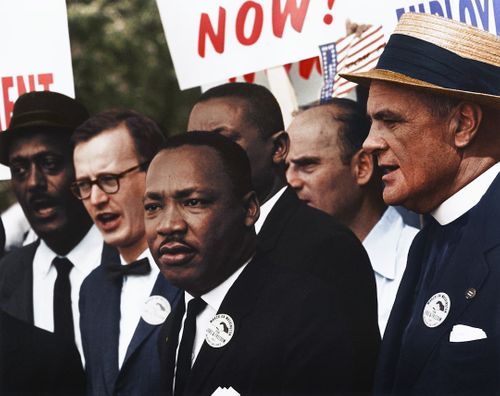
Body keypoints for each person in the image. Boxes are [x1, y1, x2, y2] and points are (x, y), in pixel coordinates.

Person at [145, 132, 376, 395]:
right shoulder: (176, 319)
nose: (168, 225)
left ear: (249, 209)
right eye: (153, 207)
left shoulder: (307, 312)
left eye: (193, 202)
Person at [342, 12, 500, 394]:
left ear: (463, 124)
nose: (369, 142)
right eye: (371, 122)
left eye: (390, 121)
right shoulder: (429, 239)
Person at [187, 83, 380, 387]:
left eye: (223, 142)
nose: (202, 160)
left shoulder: (326, 246)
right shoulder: (200, 247)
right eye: (195, 145)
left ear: (278, 148)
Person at [72, 109, 181, 395]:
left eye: (109, 179)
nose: (96, 199)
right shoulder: (92, 289)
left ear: (154, 171)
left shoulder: (197, 274)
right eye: (84, 185)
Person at [286, 99, 419, 335]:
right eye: (285, 168)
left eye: (307, 165)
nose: (291, 181)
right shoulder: (287, 269)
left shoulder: (420, 260)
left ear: (362, 167)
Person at [0, 90, 102, 395]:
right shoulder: (6, 276)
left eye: (49, 163)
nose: (33, 183)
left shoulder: (138, 263)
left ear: (84, 169)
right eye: (20, 170)